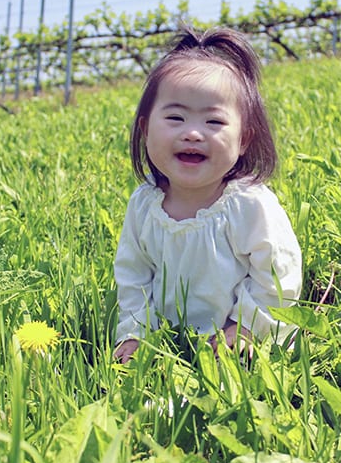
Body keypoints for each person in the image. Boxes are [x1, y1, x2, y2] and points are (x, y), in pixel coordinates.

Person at [113, 26, 302, 363]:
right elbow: (133, 277)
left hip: (238, 347)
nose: (193, 133)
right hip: (168, 343)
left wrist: (244, 328)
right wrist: (135, 332)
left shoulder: (248, 205)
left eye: (214, 122)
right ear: (144, 130)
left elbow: (277, 274)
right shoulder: (144, 206)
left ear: (244, 139)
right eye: (175, 117)